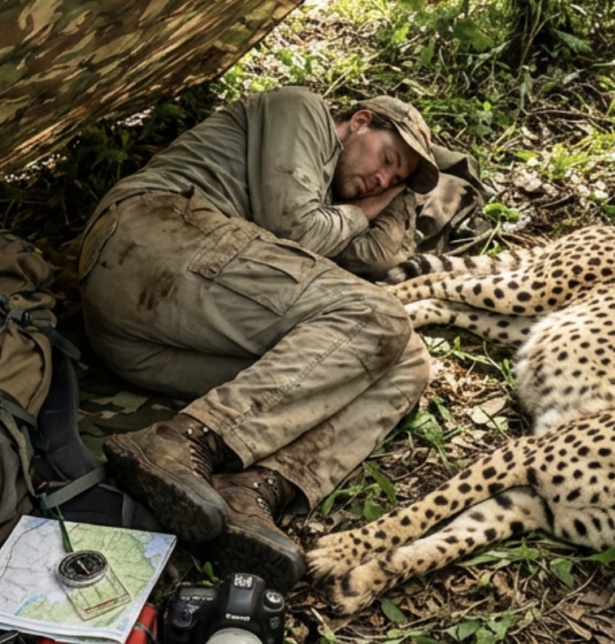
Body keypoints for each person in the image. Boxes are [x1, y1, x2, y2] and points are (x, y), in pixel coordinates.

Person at [77, 86, 439, 591]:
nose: (381, 179)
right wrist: (363, 209)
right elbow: (296, 229)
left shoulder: (334, 203)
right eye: (388, 159)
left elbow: (375, 258)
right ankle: (184, 439)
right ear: (359, 121)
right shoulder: (302, 110)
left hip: (158, 341)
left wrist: (393, 197)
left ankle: (250, 489)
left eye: (394, 180)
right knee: (378, 315)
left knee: (407, 360)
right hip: (151, 237)